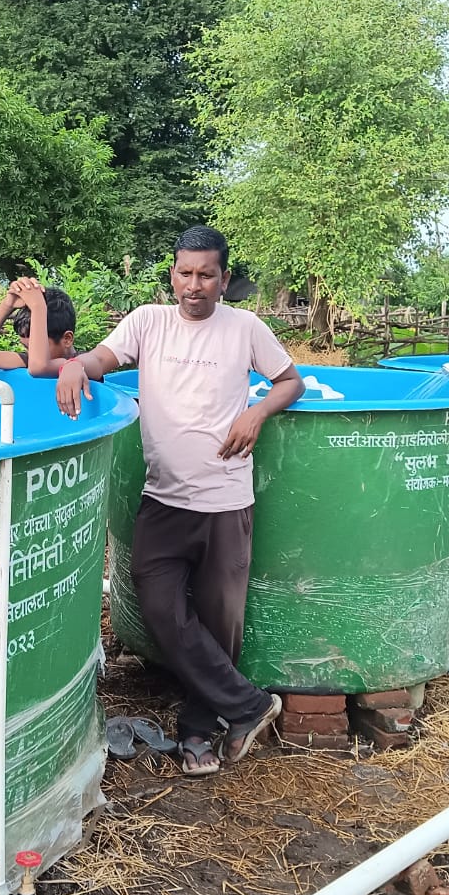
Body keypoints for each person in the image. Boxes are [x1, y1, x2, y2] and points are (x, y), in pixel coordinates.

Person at [56, 225, 304, 776]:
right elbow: (102, 358)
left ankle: (197, 734)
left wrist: (257, 411)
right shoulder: (148, 322)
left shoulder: (245, 328)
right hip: (163, 498)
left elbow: (291, 382)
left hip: (225, 500)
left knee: (219, 623)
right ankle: (249, 706)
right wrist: (76, 365)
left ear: (224, 279)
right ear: (173, 275)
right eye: (185, 273)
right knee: (161, 607)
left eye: (206, 275)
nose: (194, 285)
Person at [0, 277, 77, 376]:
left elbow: (39, 366)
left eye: (38, 346)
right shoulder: (29, 360)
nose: (32, 353)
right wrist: (7, 306)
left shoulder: (82, 363)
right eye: (27, 347)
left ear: (67, 339)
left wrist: (38, 306)